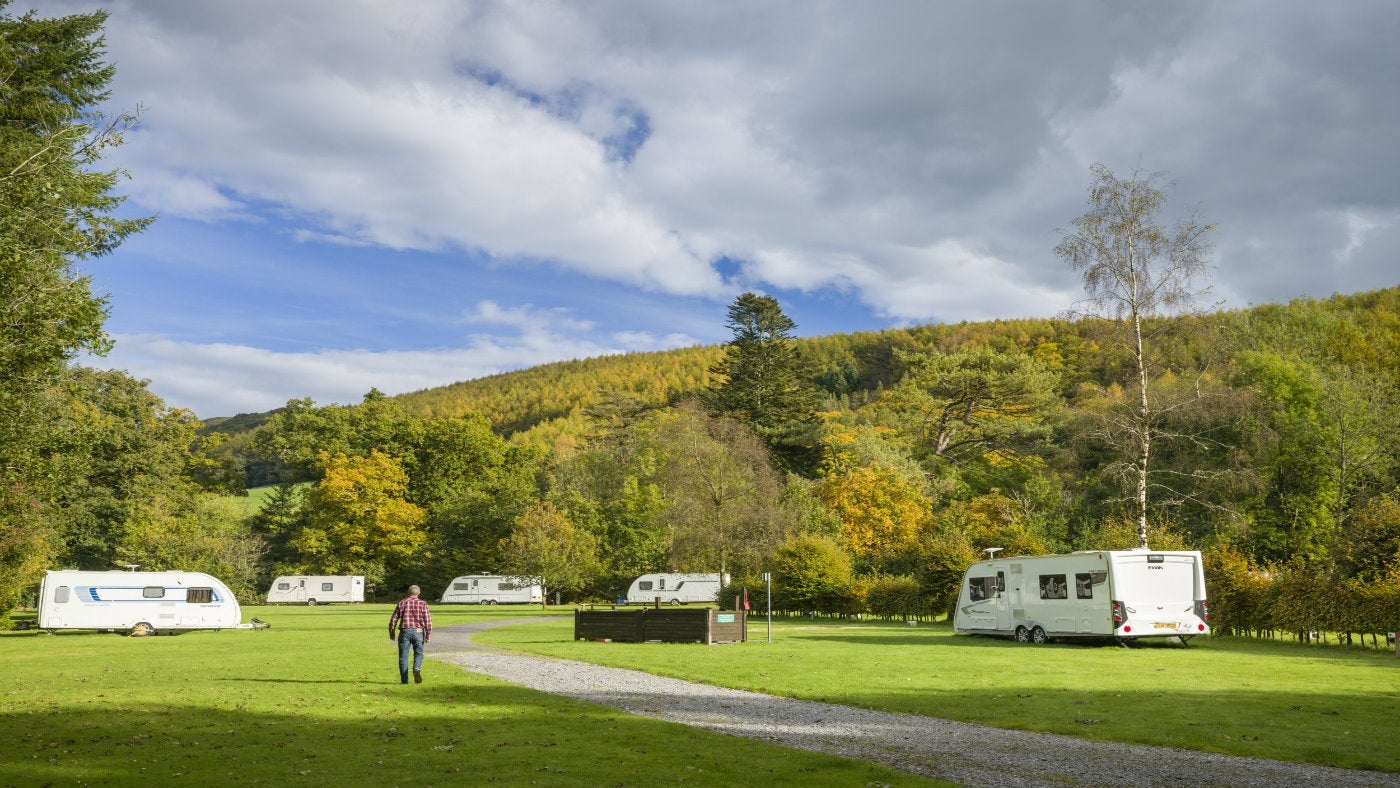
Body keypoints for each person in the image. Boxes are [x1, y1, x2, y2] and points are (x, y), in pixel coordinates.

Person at [388, 584, 432, 684]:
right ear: (419, 593)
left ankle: (404, 681)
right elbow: (428, 620)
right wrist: (428, 635)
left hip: (404, 631)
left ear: (408, 593)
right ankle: (416, 668)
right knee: (419, 653)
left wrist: (392, 633)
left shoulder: (402, 603)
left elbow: (393, 619)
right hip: (418, 632)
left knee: (403, 656)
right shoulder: (423, 604)